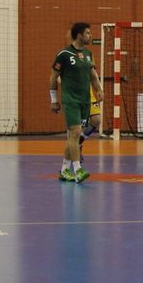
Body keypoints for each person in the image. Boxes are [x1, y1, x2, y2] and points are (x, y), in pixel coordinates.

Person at [49, 22, 104, 183]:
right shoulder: (64, 54)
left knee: (75, 135)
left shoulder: (87, 54)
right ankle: (78, 170)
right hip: (70, 100)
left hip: (85, 101)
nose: (90, 36)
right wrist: (54, 100)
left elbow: (93, 75)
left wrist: (99, 90)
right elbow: (53, 77)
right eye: (87, 33)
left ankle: (65, 170)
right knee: (74, 133)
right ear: (79, 35)